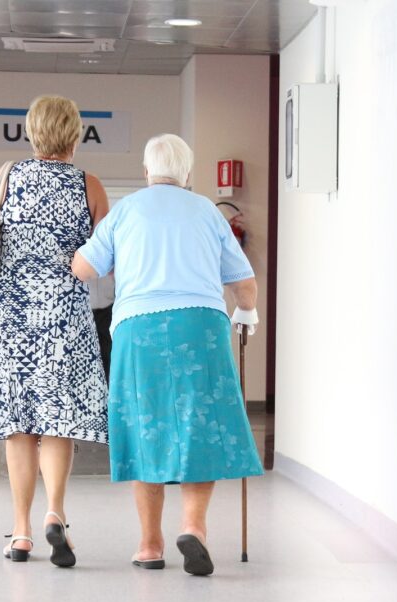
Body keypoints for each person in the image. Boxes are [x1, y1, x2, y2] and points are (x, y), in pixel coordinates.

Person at [72, 133, 263, 576]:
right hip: (201, 326)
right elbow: (244, 283)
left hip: (139, 330)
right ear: (188, 174)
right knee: (200, 424)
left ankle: (149, 545)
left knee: (145, 426)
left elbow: (85, 268)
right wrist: (247, 313)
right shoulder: (206, 213)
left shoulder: (126, 211)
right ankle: (193, 528)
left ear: (146, 172)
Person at [0, 95, 109, 567]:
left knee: (18, 424)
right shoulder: (89, 185)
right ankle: (55, 514)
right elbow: (104, 259)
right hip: (64, 318)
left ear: (31, 132)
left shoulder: (6, 177)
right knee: (58, 420)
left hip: (10, 318)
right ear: (76, 134)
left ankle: (21, 532)